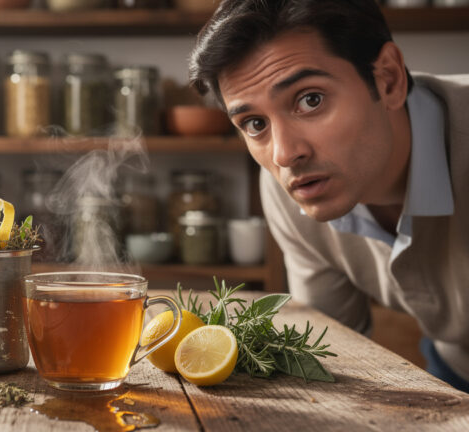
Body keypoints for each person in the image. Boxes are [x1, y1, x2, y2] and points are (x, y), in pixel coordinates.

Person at [188, 0, 469, 392]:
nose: (285, 154)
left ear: (388, 79)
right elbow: (330, 361)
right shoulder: (288, 189)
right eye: (255, 124)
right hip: (455, 366)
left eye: (310, 100)